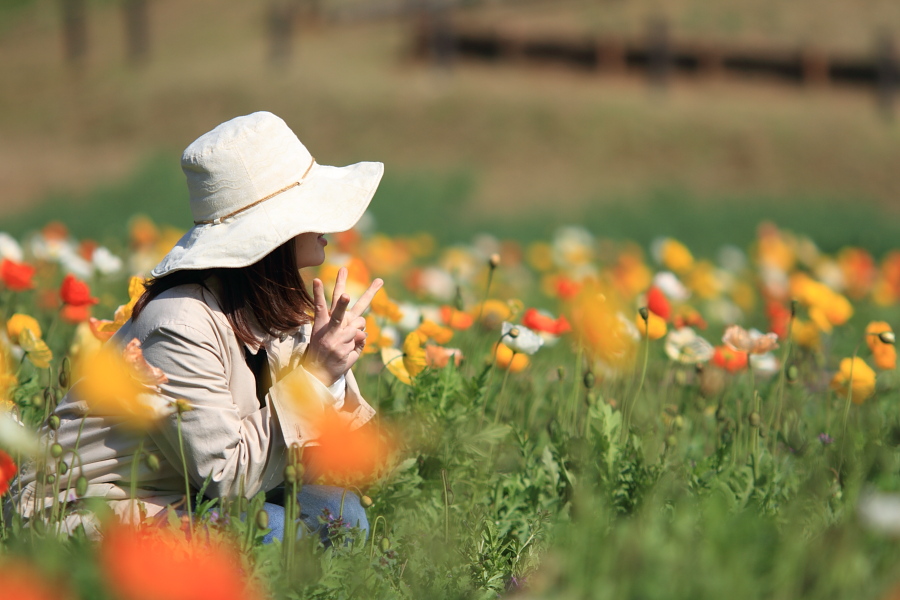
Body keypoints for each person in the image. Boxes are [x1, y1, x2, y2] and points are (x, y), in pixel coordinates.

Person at [8, 111, 385, 543]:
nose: (330, 225)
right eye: (311, 207)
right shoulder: (179, 322)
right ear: (276, 235)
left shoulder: (278, 310)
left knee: (340, 515)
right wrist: (315, 375)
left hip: (187, 494)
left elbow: (343, 463)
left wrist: (331, 378)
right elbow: (224, 475)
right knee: (276, 534)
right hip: (91, 507)